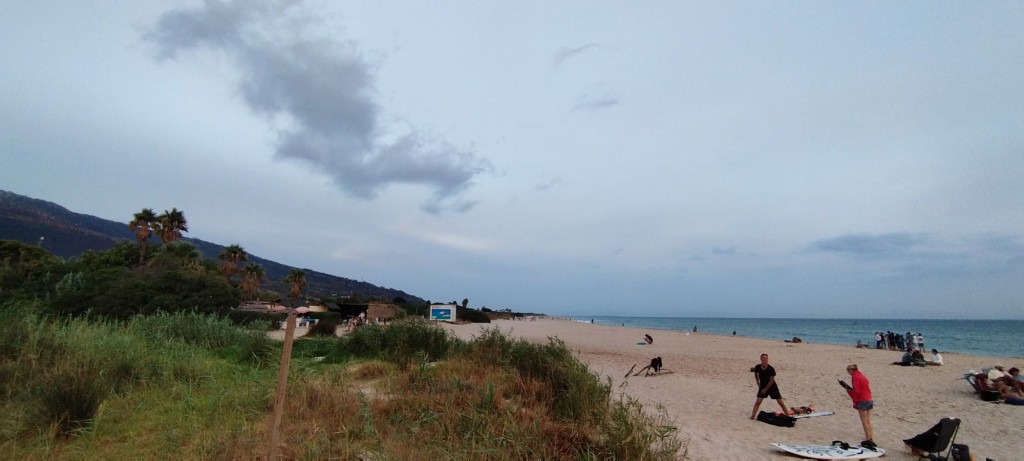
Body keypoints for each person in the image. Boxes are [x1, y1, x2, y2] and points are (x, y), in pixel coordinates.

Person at [844, 364, 875, 450]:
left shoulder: (855, 377)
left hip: (863, 400)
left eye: (848, 371)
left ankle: (868, 438)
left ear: (851, 370)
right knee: (868, 420)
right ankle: (870, 436)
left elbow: (856, 390)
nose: (848, 373)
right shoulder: (861, 375)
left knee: (864, 420)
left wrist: (848, 391)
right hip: (869, 398)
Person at [750, 353, 790, 419]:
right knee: (758, 402)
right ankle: (752, 416)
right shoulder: (757, 367)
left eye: (766, 358)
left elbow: (771, 380)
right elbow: (756, 375)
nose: (765, 359)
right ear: (761, 359)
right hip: (763, 385)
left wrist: (765, 389)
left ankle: (788, 416)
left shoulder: (771, 369)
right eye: (764, 358)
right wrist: (758, 382)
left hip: (772, 386)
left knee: (781, 403)